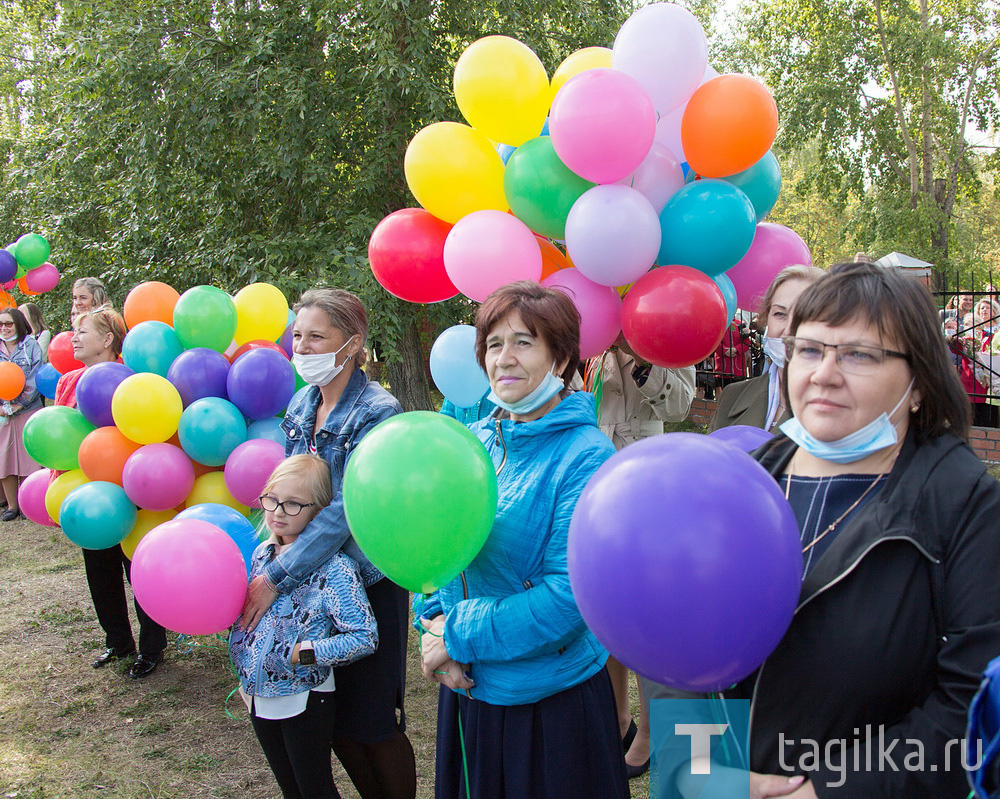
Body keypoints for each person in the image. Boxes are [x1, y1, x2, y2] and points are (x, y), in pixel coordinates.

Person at [673, 261, 1000, 797]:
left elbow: (972, 701)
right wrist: (704, 765)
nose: (824, 373)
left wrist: (826, 790)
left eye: (859, 354)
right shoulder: (748, 481)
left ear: (918, 381)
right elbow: (677, 639)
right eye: (810, 349)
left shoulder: (963, 502)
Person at [418, 281, 628, 799]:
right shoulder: (477, 445)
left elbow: (569, 598)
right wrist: (431, 624)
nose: (503, 359)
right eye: (493, 343)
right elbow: (434, 550)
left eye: (523, 342)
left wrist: (456, 634)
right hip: (469, 687)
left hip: (549, 706)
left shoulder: (586, 457)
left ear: (560, 359)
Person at [241, 288, 416, 799]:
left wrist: (276, 576)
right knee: (333, 720)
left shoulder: (378, 410)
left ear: (352, 343)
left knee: (374, 722)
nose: (302, 346)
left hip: (364, 581)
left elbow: (346, 509)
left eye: (317, 336)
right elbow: (291, 488)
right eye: (297, 335)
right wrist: (268, 552)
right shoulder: (302, 403)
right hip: (308, 587)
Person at [230, 454, 378, 799]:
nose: (279, 512)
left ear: (319, 511)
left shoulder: (335, 569)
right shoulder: (260, 556)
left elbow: (363, 637)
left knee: (314, 787)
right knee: (289, 788)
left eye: (294, 504)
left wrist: (304, 653)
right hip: (255, 694)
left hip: (305, 698)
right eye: (273, 500)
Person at [585, 335, 695, 779]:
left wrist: (633, 351)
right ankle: (618, 720)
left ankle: (651, 730)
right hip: (588, 479)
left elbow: (680, 405)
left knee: (646, 616)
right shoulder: (581, 328)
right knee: (602, 609)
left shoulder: (663, 326)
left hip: (644, 482)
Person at [56, 307, 167, 678]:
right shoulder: (68, 381)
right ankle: (117, 640)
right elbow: (61, 439)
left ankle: (152, 646)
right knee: (99, 570)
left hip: (130, 489)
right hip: (89, 493)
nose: (73, 337)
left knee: (138, 567)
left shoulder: (131, 378)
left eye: (82, 330)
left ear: (107, 339)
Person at [709, 265, 825, 432]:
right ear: (766, 318)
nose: (789, 329)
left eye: (806, 315)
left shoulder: (847, 409)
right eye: (780, 314)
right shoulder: (732, 397)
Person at [0, 306, 42, 519]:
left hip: (28, 410)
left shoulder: (31, 346)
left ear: (18, 323)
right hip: (2, 415)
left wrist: (20, 404)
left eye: (8, 323)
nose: (4, 328)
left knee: (28, 457)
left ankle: (28, 502)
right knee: (4, 459)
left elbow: (35, 379)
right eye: (0, 325)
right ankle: (12, 506)